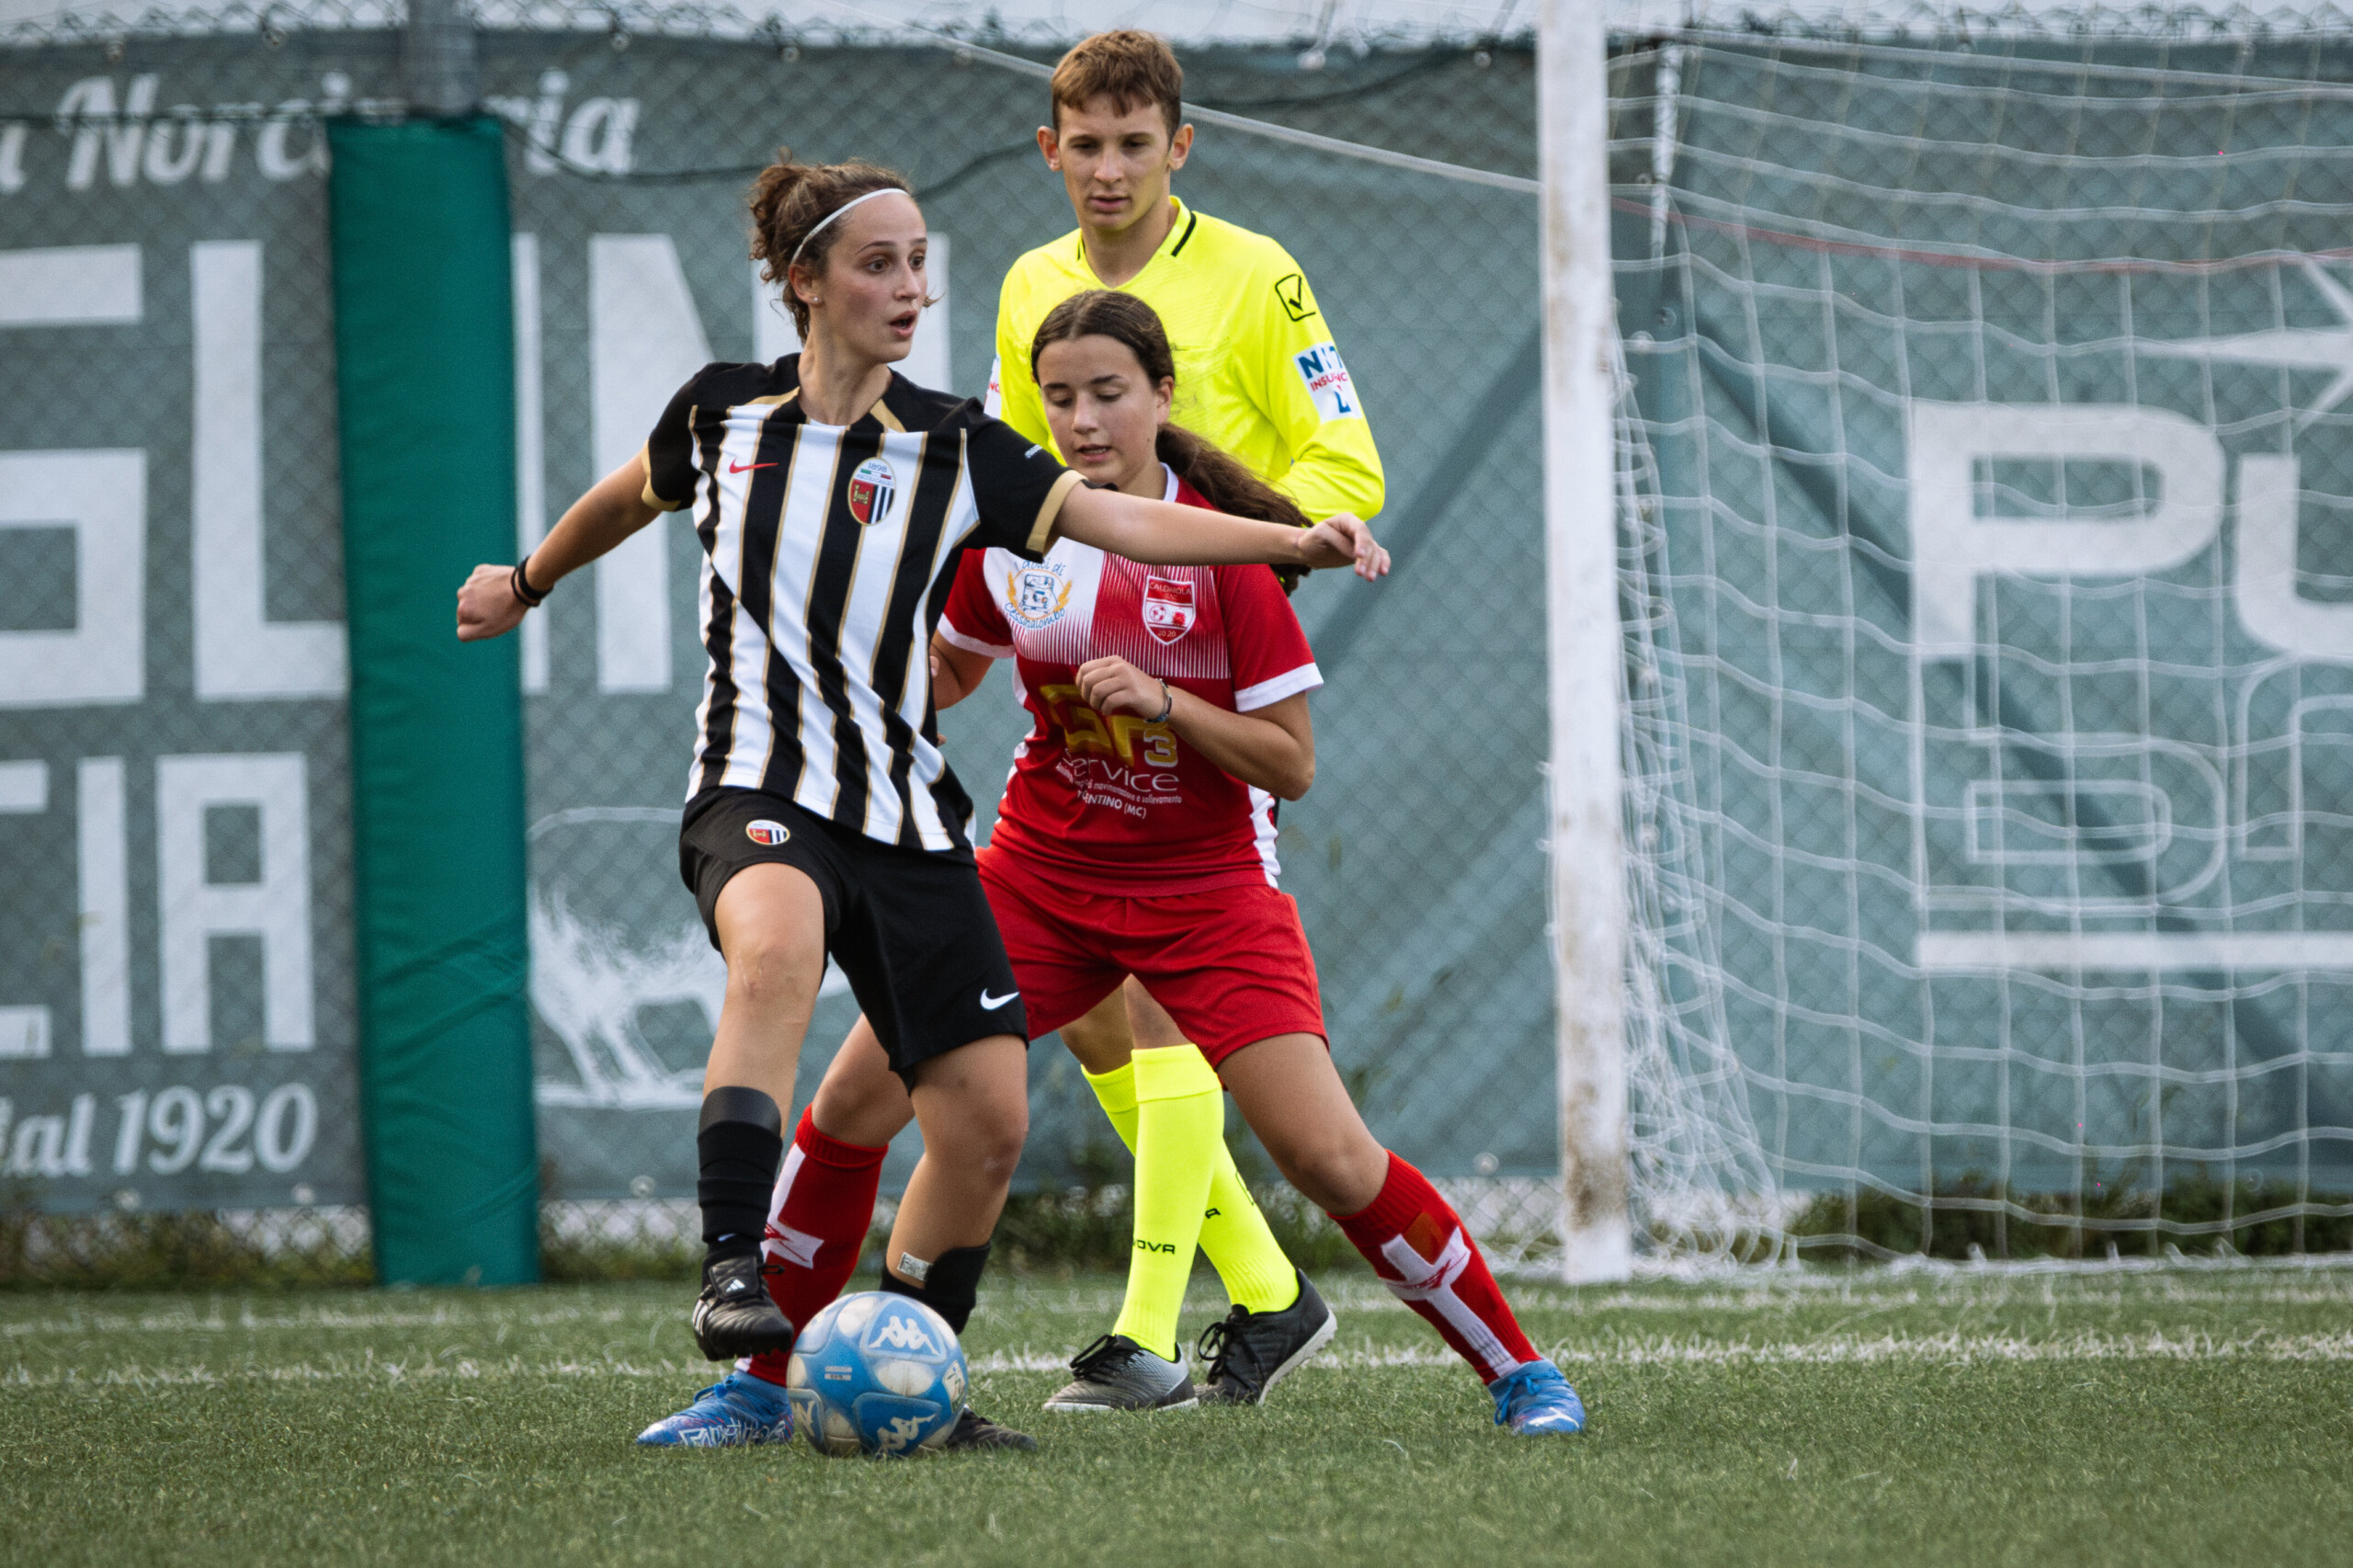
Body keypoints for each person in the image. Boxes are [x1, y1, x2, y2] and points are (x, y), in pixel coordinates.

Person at [452, 154, 1391, 1450]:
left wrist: (1289, 538)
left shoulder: (957, 444)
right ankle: (738, 1292)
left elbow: (1129, 525)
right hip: (759, 783)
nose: (911, 286)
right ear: (803, 283)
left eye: (917, 260)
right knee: (773, 952)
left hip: (905, 812)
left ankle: (921, 1392)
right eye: (878, 262)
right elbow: (629, 494)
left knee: (988, 1121)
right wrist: (526, 578)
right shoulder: (721, 416)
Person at [721, 291, 1586, 1436]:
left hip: (1208, 895)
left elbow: (1291, 765)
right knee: (851, 1100)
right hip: (1036, 880)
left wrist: (1166, 700)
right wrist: (853, 662)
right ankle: (747, 1386)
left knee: (1329, 1156)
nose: (1082, 421)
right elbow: (954, 668)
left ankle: (1521, 1371)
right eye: (1060, 398)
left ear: (1161, 396)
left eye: (1107, 394)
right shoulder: (1013, 541)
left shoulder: (1219, 556)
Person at [995, 27, 1391, 1373]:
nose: (1109, 170)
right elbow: (1013, 489)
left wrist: (1286, 549)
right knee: (1100, 1017)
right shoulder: (1029, 284)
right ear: (1052, 153)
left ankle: (1144, 1334)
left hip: (1209, 679)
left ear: (1181, 144)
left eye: (1133, 142)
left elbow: (1346, 454)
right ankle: (1273, 1291)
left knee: (1167, 998)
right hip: (1075, 670)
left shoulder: (1258, 275)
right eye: (1085, 146)